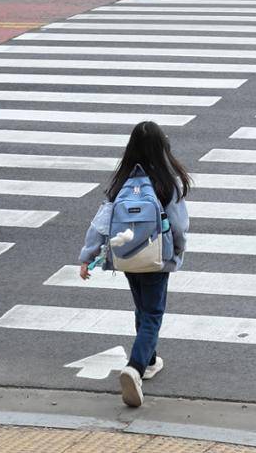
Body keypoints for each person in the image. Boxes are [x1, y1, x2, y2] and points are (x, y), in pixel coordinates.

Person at [79, 121, 190, 408]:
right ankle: (136, 367)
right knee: (153, 313)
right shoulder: (167, 182)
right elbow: (178, 226)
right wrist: (177, 251)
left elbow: (101, 223)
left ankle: (149, 361)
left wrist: (87, 257)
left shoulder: (121, 183)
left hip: (127, 258)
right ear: (162, 148)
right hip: (156, 258)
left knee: (142, 307)